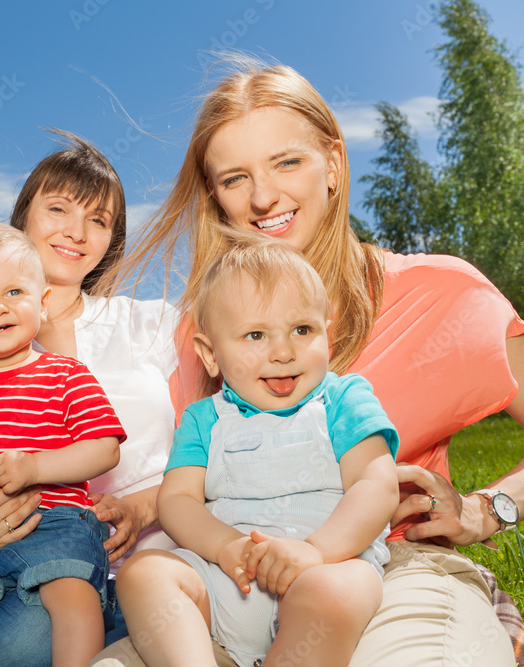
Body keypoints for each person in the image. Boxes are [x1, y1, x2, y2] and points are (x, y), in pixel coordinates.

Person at [96, 59, 524, 666]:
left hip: (384, 568)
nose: (264, 196)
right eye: (235, 178)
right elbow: (207, 469)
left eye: (287, 162)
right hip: (233, 572)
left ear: (334, 164)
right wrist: (134, 509)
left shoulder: (442, 293)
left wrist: (490, 509)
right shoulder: (205, 330)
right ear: (215, 197)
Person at [0, 132, 181, 666]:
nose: (77, 231)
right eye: (59, 208)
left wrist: (147, 505)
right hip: (15, 569)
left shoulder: (156, 323)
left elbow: (220, 437)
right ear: (22, 218)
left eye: (99, 219)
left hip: (156, 566)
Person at [118, 237, 399, 667]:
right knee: (144, 574)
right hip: (227, 578)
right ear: (211, 354)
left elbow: (376, 485)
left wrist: (317, 551)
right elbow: (176, 500)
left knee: (336, 594)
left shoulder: (343, 399)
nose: (283, 352)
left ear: (329, 331)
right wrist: (226, 546)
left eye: (302, 330)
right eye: (255, 335)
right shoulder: (204, 419)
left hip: (326, 566)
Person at [0, 223, 125, 667]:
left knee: (70, 590)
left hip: (56, 521)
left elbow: (105, 447)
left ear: (43, 302)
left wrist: (34, 469)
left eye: (13, 292)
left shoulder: (66, 374)